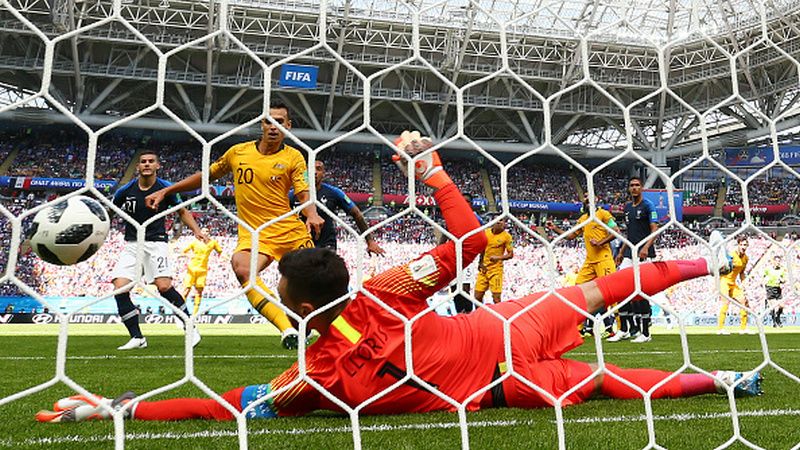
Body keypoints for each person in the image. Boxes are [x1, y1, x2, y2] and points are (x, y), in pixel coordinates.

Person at [36, 132, 762, 424]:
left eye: (279, 288)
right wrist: (432, 169)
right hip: (502, 332)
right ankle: (712, 265)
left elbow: (228, 406)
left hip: (495, 385)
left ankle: (724, 379)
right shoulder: (388, 286)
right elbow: (472, 239)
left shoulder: (317, 372)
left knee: (604, 379)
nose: (274, 290)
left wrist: (122, 409)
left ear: (300, 302)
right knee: (606, 291)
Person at [145, 104, 325, 350]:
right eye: (269, 121)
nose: (274, 127)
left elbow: (304, 194)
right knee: (241, 269)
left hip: (288, 231)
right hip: (254, 234)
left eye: (280, 122)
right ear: (261, 124)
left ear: (289, 126)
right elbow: (206, 176)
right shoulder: (237, 153)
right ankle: (286, 330)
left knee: (315, 284)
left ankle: (329, 330)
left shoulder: (294, 157)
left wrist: (312, 214)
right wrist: (167, 190)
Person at [111, 150, 205, 350]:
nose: (146, 164)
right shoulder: (124, 191)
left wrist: (196, 231)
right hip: (132, 244)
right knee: (120, 288)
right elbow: (110, 213)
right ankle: (137, 337)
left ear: (157, 166)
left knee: (163, 286)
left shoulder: (165, 189)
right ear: (137, 167)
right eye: (143, 161)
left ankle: (190, 329)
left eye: (150, 161)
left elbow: (182, 211)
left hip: (156, 243)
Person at [546, 197, 621, 337]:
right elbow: (571, 236)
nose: (587, 200)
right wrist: (555, 228)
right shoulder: (583, 219)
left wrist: (600, 243)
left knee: (611, 294)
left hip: (604, 259)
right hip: (590, 261)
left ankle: (620, 329)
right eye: (585, 198)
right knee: (578, 291)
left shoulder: (603, 214)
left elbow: (616, 231)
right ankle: (579, 328)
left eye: (589, 198)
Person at [289, 160, 384, 255]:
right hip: (300, 245)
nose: (314, 172)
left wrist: (370, 241)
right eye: (311, 169)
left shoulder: (334, 193)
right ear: (305, 172)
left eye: (318, 169)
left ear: (324, 173)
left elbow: (357, 214)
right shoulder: (293, 195)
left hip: (326, 247)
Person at [612, 176, 664, 343]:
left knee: (641, 291)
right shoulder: (627, 208)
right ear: (629, 188)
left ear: (642, 188)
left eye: (637, 185)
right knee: (621, 288)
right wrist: (621, 252)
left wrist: (646, 248)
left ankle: (645, 333)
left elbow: (655, 230)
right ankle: (625, 329)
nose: (634, 188)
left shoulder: (648, 205)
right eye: (631, 185)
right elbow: (629, 233)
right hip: (629, 253)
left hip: (643, 253)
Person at [181, 227, 223, 315]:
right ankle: (180, 312)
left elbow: (220, 252)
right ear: (200, 232)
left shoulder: (213, 243)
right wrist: (190, 255)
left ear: (209, 233)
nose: (205, 232)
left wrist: (226, 258)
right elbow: (183, 252)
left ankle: (194, 315)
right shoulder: (194, 243)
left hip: (202, 271)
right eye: (203, 231)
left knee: (199, 292)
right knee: (186, 290)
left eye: (207, 231)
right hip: (191, 269)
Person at [717, 234, 752, 335]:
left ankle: (743, 328)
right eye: (742, 245)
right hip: (724, 281)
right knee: (726, 303)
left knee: (743, 302)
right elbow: (721, 268)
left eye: (745, 245)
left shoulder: (746, 258)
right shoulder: (731, 255)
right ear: (738, 245)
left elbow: (741, 273)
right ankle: (720, 329)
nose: (744, 247)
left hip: (733, 283)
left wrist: (744, 284)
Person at [474, 216, 513, 304]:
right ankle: (481, 315)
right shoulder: (486, 232)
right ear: (493, 221)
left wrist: (498, 258)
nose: (499, 222)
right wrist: (480, 263)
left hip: (496, 270)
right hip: (484, 269)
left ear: (504, 223)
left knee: (496, 299)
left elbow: (511, 254)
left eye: (502, 220)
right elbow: (483, 248)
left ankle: (497, 316)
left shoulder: (507, 237)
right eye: (498, 220)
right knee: (477, 297)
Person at [763, 255, 786, 327]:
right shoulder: (768, 269)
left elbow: (784, 280)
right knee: (772, 306)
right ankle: (774, 322)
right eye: (776, 261)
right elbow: (764, 278)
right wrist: (765, 282)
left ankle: (777, 317)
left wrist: (781, 280)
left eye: (779, 261)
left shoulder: (781, 270)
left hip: (778, 289)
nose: (778, 262)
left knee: (782, 305)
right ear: (773, 261)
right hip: (770, 288)